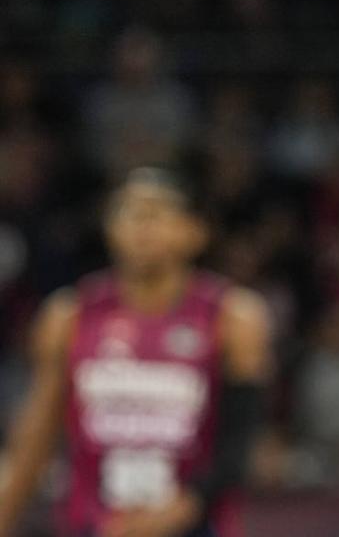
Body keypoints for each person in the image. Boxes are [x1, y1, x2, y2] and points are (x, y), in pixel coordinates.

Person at [0, 168, 270, 537]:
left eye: (157, 212)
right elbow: (34, 440)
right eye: (129, 211)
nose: (142, 224)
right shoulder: (70, 315)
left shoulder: (233, 317)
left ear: (194, 232)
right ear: (110, 229)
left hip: (193, 524)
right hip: (97, 524)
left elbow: (238, 444)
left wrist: (184, 507)